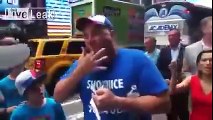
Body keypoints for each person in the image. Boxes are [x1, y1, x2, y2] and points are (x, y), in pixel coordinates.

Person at [54, 15, 171, 120]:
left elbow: (165, 104)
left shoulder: (137, 59)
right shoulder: (82, 65)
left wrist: (118, 102)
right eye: (85, 36)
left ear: (112, 34)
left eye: (96, 33)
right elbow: (58, 96)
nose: (90, 40)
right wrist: (80, 71)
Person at [170, 50, 212, 120]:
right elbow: (173, 90)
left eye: (211, 60)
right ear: (198, 64)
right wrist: (174, 73)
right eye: (204, 60)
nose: (208, 63)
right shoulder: (192, 80)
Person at [157, 29, 189, 120]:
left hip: (183, 87)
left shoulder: (186, 49)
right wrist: (165, 79)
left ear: (179, 37)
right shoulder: (164, 51)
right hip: (169, 87)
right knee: (170, 113)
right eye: (169, 36)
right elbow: (159, 67)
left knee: (184, 113)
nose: (171, 38)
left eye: (173, 35)